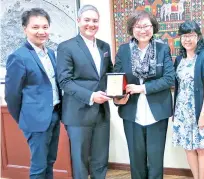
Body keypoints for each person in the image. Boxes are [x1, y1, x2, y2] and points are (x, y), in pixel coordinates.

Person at [113, 10, 175, 179]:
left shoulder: (162, 49)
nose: (143, 30)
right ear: (132, 29)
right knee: (136, 159)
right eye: (138, 26)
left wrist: (142, 88)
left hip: (157, 112)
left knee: (155, 160)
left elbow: (169, 78)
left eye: (146, 26)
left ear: (153, 27)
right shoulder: (124, 50)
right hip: (132, 112)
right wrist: (117, 98)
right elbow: (116, 78)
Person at [56, 5, 113, 179]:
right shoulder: (66, 47)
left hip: (102, 113)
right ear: (78, 21)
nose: (91, 24)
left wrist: (119, 91)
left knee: (100, 159)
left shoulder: (104, 46)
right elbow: (65, 81)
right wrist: (91, 96)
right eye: (87, 20)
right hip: (78, 113)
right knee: (80, 162)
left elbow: (109, 75)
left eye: (95, 20)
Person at [5, 8, 61, 179]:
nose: (41, 32)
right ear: (25, 29)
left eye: (45, 27)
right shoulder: (18, 57)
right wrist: (25, 120)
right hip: (35, 121)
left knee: (50, 162)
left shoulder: (50, 53)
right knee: (38, 167)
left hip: (54, 115)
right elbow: (11, 95)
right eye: (35, 27)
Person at [173, 20, 204, 179]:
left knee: (202, 148)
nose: (187, 39)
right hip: (182, 111)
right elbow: (178, 87)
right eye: (184, 36)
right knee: (188, 147)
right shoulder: (179, 59)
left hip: (200, 109)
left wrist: (203, 115)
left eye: (191, 35)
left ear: (198, 37)